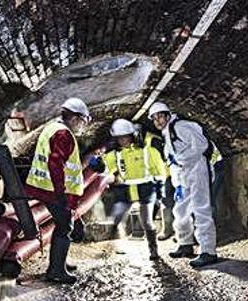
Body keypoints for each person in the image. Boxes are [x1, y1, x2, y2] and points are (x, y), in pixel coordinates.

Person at [24, 97, 92, 284]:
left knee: (63, 225)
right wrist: (61, 194)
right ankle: (56, 271)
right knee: (64, 226)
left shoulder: (52, 128)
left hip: (43, 186)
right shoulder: (63, 134)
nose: (82, 126)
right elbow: (55, 164)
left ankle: (59, 263)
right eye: (83, 121)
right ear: (76, 118)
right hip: (52, 190)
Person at [148, 101, 221, 268]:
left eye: (160, 116)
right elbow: (173, 162)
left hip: (197, 170)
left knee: (201, 209)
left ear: (167, 115)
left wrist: (181, 159)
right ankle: (185, 244)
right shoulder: (167, 134)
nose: (158, 121)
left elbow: (201, 145)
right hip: (184, 176)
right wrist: (177, 184)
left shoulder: (181, 127)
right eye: (154, 118)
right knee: (180, 209)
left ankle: (208, 251)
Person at [99, 119, 167, 260]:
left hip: (146, 186)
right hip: (126, 187)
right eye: (119, 138)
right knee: (118, 215)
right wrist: (98, 165)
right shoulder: (115, 154)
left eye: (125, 137)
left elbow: (160, 170)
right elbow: (106, 168)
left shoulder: (147, 150)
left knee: (146, 220)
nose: (122, 141)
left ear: (132, 135)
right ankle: (114, 245)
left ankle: (153, 250)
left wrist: (160, 188)